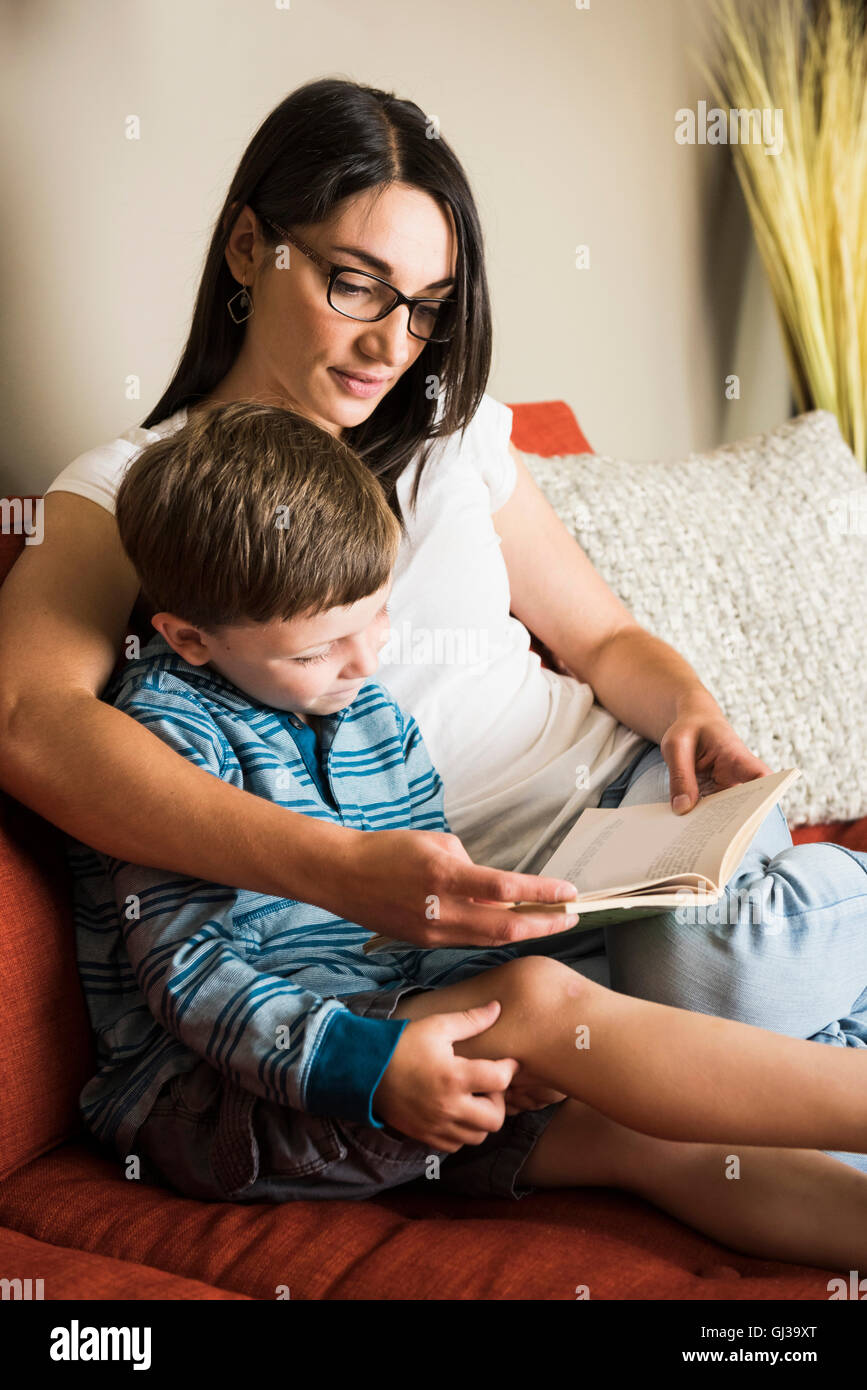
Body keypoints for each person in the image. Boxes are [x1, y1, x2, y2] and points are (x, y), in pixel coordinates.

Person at [1, 75, 865, 1194]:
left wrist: (690, 707)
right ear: (249, 247)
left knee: (722, 963)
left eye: (429, 307)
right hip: (477, 922)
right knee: (705, 1005)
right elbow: (31, 720)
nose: (392, 344)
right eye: (358, 285)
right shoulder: (139, 492)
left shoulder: (453, 443)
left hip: (635, 824)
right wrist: (346, 872)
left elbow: (605, 644)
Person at [72, 398, 867, 1272]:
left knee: (652, 1134)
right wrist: (375, 1066)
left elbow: (410, 930)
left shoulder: (366, 710)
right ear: (188, 638)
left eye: (375, 617)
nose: (366, 662)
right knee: (535, 1002)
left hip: (387, 1028)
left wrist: (477, 987)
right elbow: (193, 980)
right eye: (318, 648)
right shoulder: (163, 739)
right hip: (225, 1094)